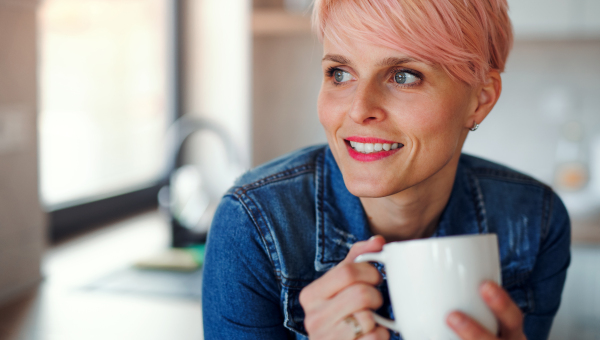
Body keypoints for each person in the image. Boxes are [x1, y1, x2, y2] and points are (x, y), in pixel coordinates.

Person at [202, 0, 571, 339]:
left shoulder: (534, 221)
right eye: (340, 73)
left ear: (481, 98)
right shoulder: (253, 225)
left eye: (404, 76)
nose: (359, 109)